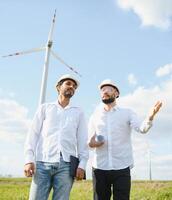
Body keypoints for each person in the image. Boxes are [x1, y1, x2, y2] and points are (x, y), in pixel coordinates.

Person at [88, 79, 162, 200]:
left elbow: (142, 129)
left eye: (108, 89)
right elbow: (89, 142)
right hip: (99, 167)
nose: (105, 91)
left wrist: (150, 116)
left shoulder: (128, 113)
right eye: (102, 89)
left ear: (116, 93)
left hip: (122, 167)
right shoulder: (94, 116)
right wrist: (93, 143)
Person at [24, 74, 88, 200]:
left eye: (74, 86)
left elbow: (82, 140)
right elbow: (33, 134)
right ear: (58, 87)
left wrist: (82, 165)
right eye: (68, 83)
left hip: (67, 166)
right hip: (42, 164)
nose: (72, 87)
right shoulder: (45, 108)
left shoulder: (78, 112)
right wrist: (28, 159)